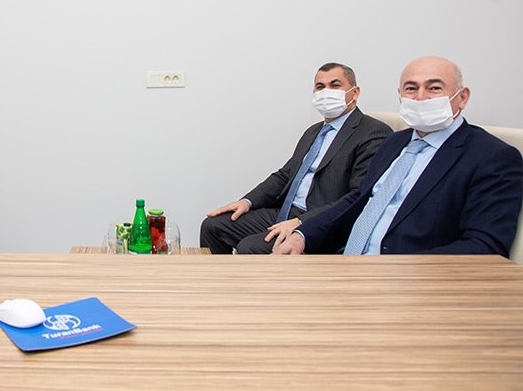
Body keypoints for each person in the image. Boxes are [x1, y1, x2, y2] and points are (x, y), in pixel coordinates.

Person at [275, 56, 523, 256]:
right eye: (411, 88)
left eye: (434, 88)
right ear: (400, 95)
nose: (420, 97)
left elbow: (485, 247)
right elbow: (359, 200)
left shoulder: (493, 158)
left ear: (462, 97)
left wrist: (396, 270)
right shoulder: (395, 142)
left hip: (410, 281)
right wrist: (303, 234)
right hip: (346, 262)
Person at [200, 63, 392, 254]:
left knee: (250, 247)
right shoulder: (314, 132)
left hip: (323, 222)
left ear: (355, 92)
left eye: (335, 85)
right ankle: (220, 276)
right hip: (287, 212)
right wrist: (247, 201)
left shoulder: (372, 131)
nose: (326, 92)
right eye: (320, 87)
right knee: (212, 226)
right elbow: (285, 175)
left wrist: (302, 222)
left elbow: (358, 196)